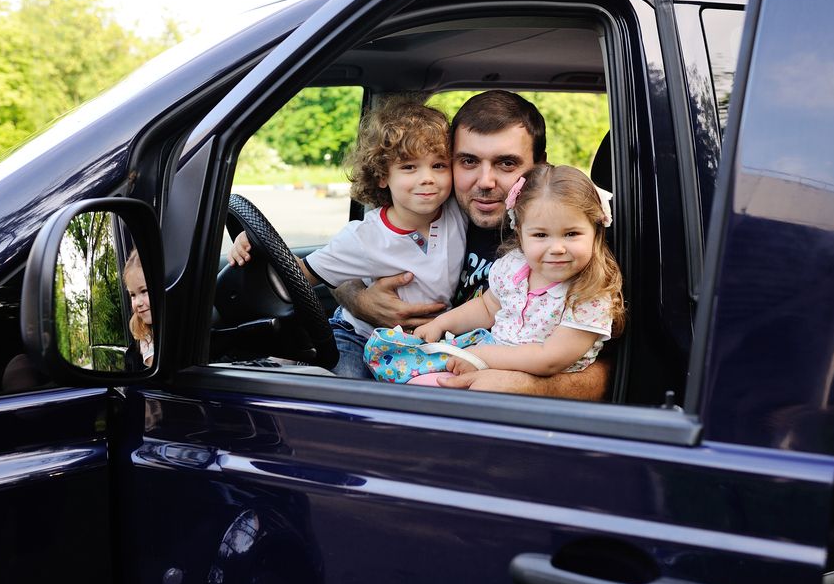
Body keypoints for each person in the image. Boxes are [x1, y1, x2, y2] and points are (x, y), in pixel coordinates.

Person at [335, 90, 613, 399]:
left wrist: (525, 385)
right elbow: (345, 260)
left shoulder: (575, 246)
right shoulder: (429, 210)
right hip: (415, 363)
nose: (485, 182)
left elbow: (608, 373)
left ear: (539, 167)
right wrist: (359, 300)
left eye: (506, 163)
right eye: (468, 161)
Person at [227, 99, 465, 378]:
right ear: (382, 176)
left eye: (439, 165)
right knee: (347, 387)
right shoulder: (363, 237)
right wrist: (255, 245)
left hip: (421, 344)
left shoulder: (457, 213)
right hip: (359, 335)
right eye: (409, 167)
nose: (428, 178)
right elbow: (297, 275)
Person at [413, 164, 625, 379]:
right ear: (520, 234)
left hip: (534, 383)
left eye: (571, 234)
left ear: (596, 232)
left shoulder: (590, 295)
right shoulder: (514, 266)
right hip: (488, 361)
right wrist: (440, 324)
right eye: (540, 235)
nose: (557, 248)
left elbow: (549, 359)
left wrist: (481, 356)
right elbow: (486, 308)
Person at [124, 249, 154, 368]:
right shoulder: (142, 331)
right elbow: (153, 363)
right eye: (133, 295)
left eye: (144, 291)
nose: (137, 303)